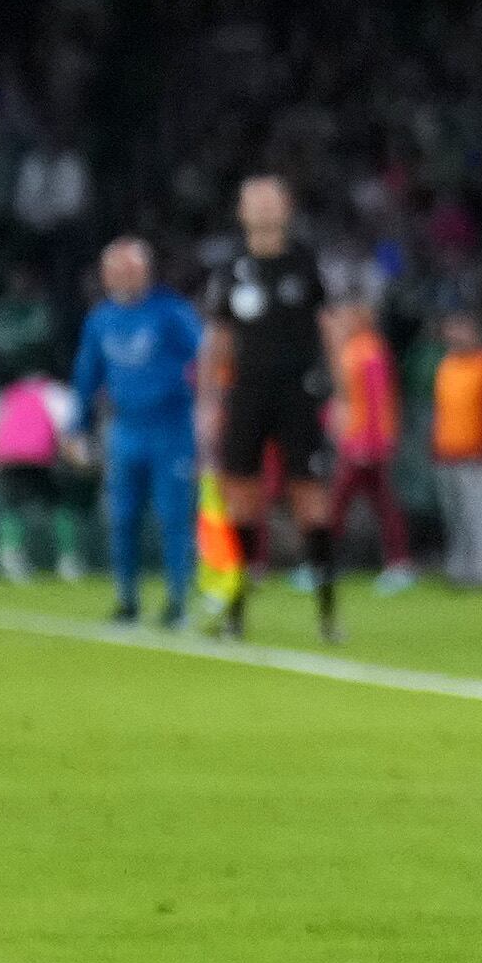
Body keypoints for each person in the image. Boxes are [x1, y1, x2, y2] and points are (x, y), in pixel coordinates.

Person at [200, 174, 342, 643]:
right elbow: (217, 340)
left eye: (270, 200)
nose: (262, 208)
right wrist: (207, 401)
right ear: (241, 212)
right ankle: (237, 609)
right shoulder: (230, 269)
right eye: (253, 201)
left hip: (299, 392)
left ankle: (327, 612)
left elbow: (329, 328)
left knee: (310, 497)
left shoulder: (306, 263)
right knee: (239, 495)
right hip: (247, 394)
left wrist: (341, 394)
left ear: (287, 208)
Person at [68, 237, 201, 623]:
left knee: (173, 516)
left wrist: (208, 407)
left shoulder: (171, 313)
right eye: (116, 270)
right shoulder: (101, 320)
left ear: (146, 271)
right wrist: (78, 426)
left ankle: (178, 600)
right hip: (124, 429)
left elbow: (205, 358)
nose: (123, 277)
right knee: (122, 517)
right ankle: (127, 599)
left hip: (170, 427)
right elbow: (87, 375)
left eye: (131, 268)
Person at [324, 301, 415, 593]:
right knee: (379, 503)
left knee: (345, 503)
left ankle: (326, 563)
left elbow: (377, 402)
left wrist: (369, 442)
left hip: (364, 443)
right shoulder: (353, 349)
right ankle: (397, 563)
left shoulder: (368, 350)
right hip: (356, 439)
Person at [0, 368, 80, 582]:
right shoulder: (53, 391)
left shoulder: (8, 393)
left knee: (11, 507)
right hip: (39, 457)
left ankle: (11, 557)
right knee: (59, 505)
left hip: (6, 458)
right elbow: (70, 423)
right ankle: (69, 560)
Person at [429, 312, 482, 587]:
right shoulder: (447, 365)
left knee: (480, 513)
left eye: (461, 327)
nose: (455, 334)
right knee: (455, 517)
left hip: (478, 453)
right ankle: (459, 570)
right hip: (447, 452)